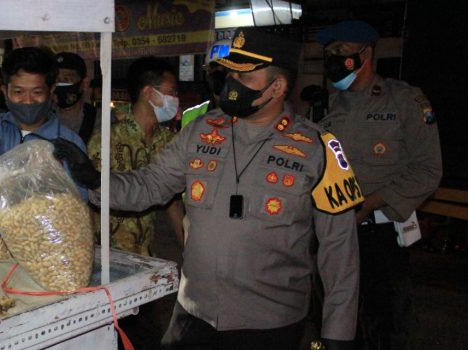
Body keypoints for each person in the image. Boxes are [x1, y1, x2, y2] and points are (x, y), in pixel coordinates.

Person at [54, 27, 362, 350]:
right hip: (193, 316)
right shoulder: (200, 131)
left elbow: (339, 252)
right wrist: (94, 181)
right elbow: (149, 185)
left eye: (245, 78)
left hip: (269, 326)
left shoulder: (319, 149)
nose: (232, 84)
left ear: (278, 87)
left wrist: (338, 334)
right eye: (231, 73)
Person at [316, 20, 442, 350]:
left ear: (365, 54)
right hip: (330, 235)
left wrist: (370, 203)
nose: (332, 59)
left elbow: (428, 169)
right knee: (331, 327)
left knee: (385, 328)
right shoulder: (325, 106)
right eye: (328, 53)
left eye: (340, 52)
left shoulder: (404, 101)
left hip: (379, 237)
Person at [87, 56, 184, 255]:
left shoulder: (170, 141)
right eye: (171, 92)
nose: (175, 98)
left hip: (150, 253)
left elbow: (173, 201)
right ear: (149, 92)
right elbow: (89, 197)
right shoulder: (107, 138)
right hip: (108, 255)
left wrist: (186, 247)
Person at [0, 47, 87, 198]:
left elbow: (79, 199)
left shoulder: (70, 142)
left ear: (51, 91)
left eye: (37, 92)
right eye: (19, 92)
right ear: (5, 91)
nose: (28, 101)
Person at [53, 51, 99, 144]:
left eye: (66, 79)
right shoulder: (44, 118)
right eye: (56, 80)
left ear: (84, 84)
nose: (60, 84)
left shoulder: (100, 119)